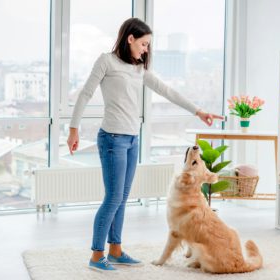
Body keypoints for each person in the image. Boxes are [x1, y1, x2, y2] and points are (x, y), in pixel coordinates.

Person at [67, 17, 224, 272]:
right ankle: (97, 255)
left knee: (122, 197)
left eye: (148, 45)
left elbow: (167, 91)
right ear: (130, 38)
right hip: (112, 140)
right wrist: (73, 129)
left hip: (131, 140)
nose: (146, 49)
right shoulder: (106, 61)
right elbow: (85, 93)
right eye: (144, 43)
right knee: (113, 198)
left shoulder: (138, 69)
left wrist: (199, 111)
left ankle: (115, 250)